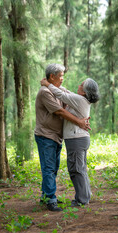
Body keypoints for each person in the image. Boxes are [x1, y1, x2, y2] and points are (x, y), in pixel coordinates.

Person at [35, 63, 90, 212]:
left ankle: (46, 195)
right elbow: (60, 111)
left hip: (55, 136)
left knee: (52, 168)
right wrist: (79, 121)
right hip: (46, 135)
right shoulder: (45, 92)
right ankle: (50, 199)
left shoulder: (56, 89)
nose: (62, 79)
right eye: (60, 76)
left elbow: (70, 96)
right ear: (51, 77)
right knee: (49, 167)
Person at [41, 77, 99, 207]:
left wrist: (47, 84)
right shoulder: (80, 99)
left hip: (76, 139)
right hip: (78, 139)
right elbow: (66, 92)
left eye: (81, 84)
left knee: (76, 169)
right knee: (80, 169)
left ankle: (82, 200)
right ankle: (85, 196)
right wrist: (52, 84)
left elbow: (61, 94)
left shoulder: (79, 100)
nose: (79, 85)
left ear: (84, 91)